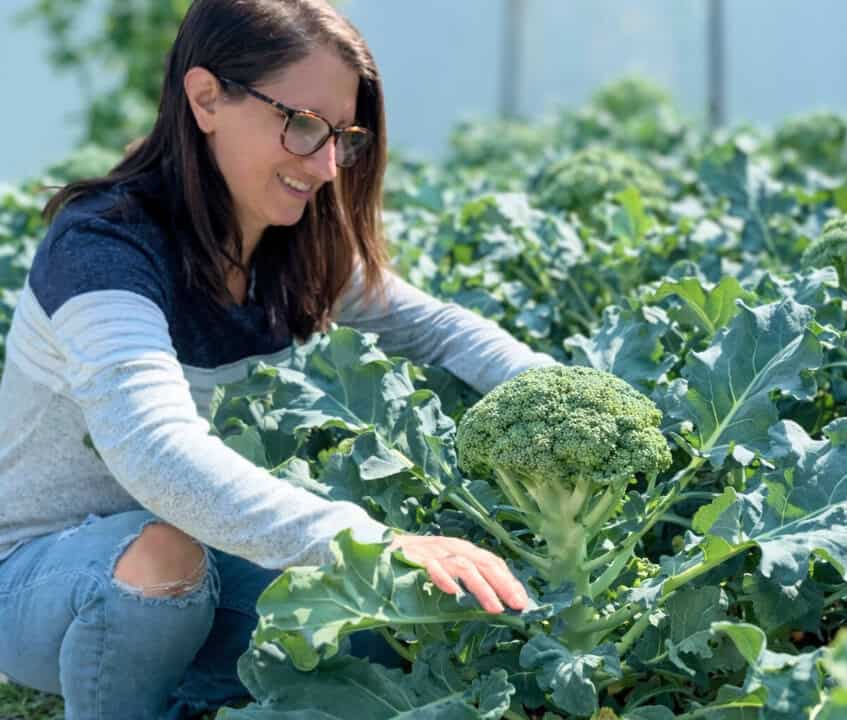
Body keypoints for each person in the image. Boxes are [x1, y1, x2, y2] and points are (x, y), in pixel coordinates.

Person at [0, 0, 542, 716]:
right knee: (165, 558)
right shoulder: (105, 250)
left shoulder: (291, 245)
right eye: (302, 125)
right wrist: (374, 541)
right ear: (206, 99)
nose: (324, 165)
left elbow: (438, 330)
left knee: (392, 628)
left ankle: (188, 691)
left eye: (342, 137)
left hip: (210, 565)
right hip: (44, 578)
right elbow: (154, 449)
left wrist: (559, 395)